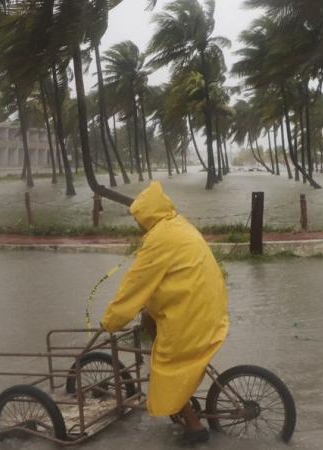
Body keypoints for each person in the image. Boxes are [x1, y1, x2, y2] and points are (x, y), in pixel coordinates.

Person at [100, 181, 229, 445]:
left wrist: (111, 321)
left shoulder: (159, 239)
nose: (137, 224)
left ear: (147, 215)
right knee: (149, 317)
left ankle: (194, 428)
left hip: (192, 315)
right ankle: (184, 397)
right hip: (209, 307)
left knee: (164, 371)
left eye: (138, 218)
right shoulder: (178, 225)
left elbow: (134, 286)